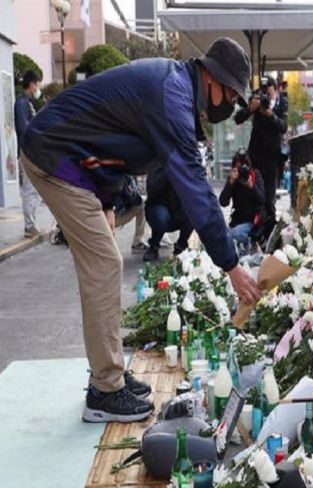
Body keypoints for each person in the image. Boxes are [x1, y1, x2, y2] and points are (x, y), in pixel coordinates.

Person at [20, 37, 262, 423]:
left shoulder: (176, 88)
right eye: (231, 96)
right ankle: (105, 390)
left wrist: (105, 198)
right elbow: (196, 187)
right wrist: (231, 264)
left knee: (105, 262)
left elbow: (114, 135)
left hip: (72, 159)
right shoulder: (174, 95)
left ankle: (109, 376)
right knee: (103, 264)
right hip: (55, 154)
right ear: (213, 79)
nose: (230, 105)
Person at [234, 75, 288, 235]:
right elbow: (238, 118)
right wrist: (251, 108)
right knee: (256, 196)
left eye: (269, 94)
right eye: (264, 93)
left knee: (270, 199)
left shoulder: (281, 103)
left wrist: (271, 115)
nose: (266, 97)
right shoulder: (255, 101)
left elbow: (284, 127)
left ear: (276, 90)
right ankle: (255, 231)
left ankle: (269, 233)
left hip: (272, 158)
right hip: (256, 157)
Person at [14, 70, 43, 239]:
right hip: (27, 152)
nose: (38, 88)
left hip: (32, 152)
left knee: (35, 190)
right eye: (38, 84)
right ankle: (29, 226)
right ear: (32, 84)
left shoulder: (27, 103)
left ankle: (32, 224)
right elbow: (24, 128)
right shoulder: (21, 104)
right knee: (30, 189)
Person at [143, 167, 194, 262]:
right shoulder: (157, 164)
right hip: (158, 206)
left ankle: (181, 245)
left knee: (193, 212)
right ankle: (154, 245)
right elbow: (151, 189)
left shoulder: (185, 165)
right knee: (161, 217)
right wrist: (168, 174)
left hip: (180, 207)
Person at [219, 150, 265, 254]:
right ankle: (245, 246)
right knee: (225, 234)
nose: (242, 171)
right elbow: (223, 202)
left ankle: (252, 240)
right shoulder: (233, 180)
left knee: (233, 234)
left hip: (252, 222)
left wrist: (252, 187)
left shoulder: (255, 175)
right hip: (236, 222)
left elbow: (262, 200)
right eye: (238, 168)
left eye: (244, 168)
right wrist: (230, 183)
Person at [114, 176, 148, 252]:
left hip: (111, 214)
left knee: (141, 206)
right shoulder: (125, 176)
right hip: (105, 217)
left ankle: (138, 241)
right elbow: (135, 198)